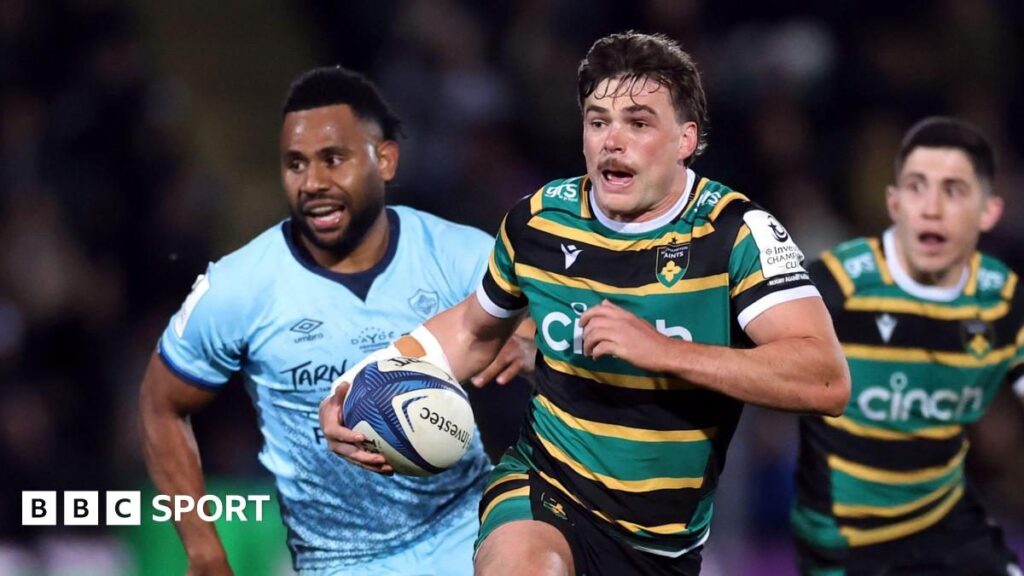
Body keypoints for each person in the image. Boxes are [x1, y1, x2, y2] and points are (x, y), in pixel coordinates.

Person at [320, 31, 850, 576]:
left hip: (662, 544)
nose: (611, 141)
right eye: (598, 122)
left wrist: (663, 351)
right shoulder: (539, 221)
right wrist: (357, 388)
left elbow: (826, 380)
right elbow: (473, 332)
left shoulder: (738, 233)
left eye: (638, 123)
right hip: (545, 487)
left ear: (685, 139)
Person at [139, 66, 534, 576]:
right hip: (340, 560)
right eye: (295, 164)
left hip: (469, 531)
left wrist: (530, 352)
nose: (312, 183)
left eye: (333, 159)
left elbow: (555, 357)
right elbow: (160, 405)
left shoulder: (460, 256)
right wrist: (204, 551)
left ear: (385, 159)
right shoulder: (239, 286)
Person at [791, 117, 1024, 575]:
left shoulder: (1000, 298)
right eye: (917, 188)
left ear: (988, 211)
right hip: (845, 542)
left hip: (946, 523)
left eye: (953, 191)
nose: (931, 208)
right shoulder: (836, 286)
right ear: (894, 202)